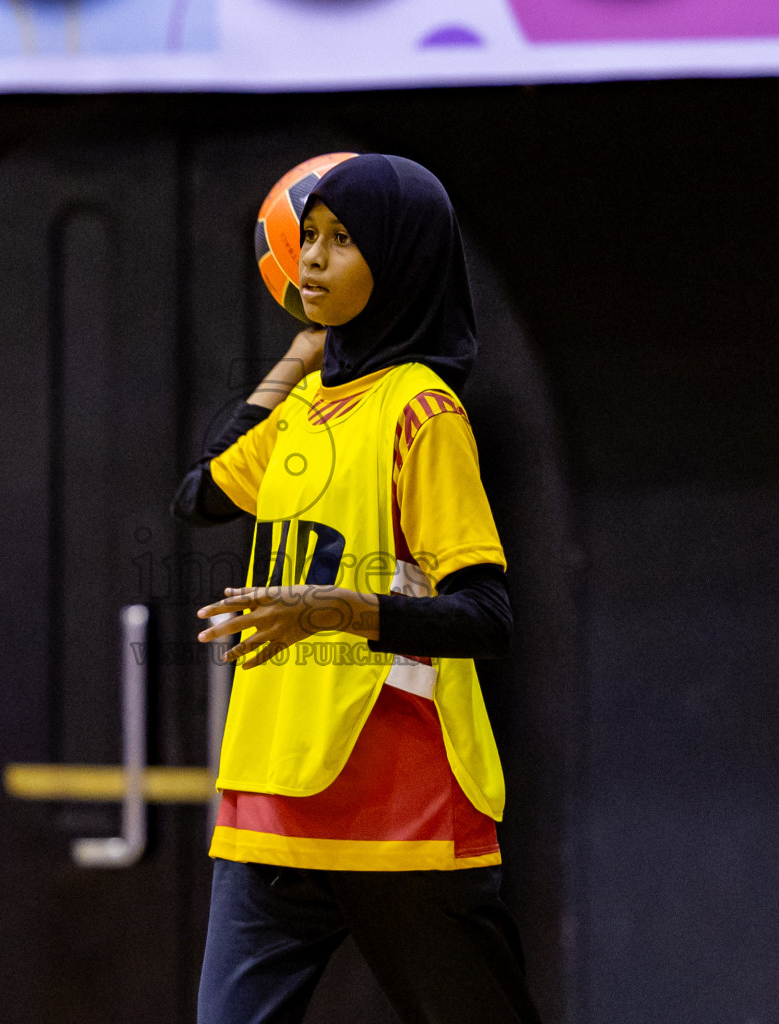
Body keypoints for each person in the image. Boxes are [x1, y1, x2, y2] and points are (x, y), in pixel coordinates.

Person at [171, 154, 542, 1024]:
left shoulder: (424, 412)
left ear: (403, 260)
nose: (310, 260)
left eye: (343, 241)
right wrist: (294, 364)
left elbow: (487, 617)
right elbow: (199, 495)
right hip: (271, 790)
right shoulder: (302, 409)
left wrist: (335, 608)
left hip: (398, 803)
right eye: (310, 236)